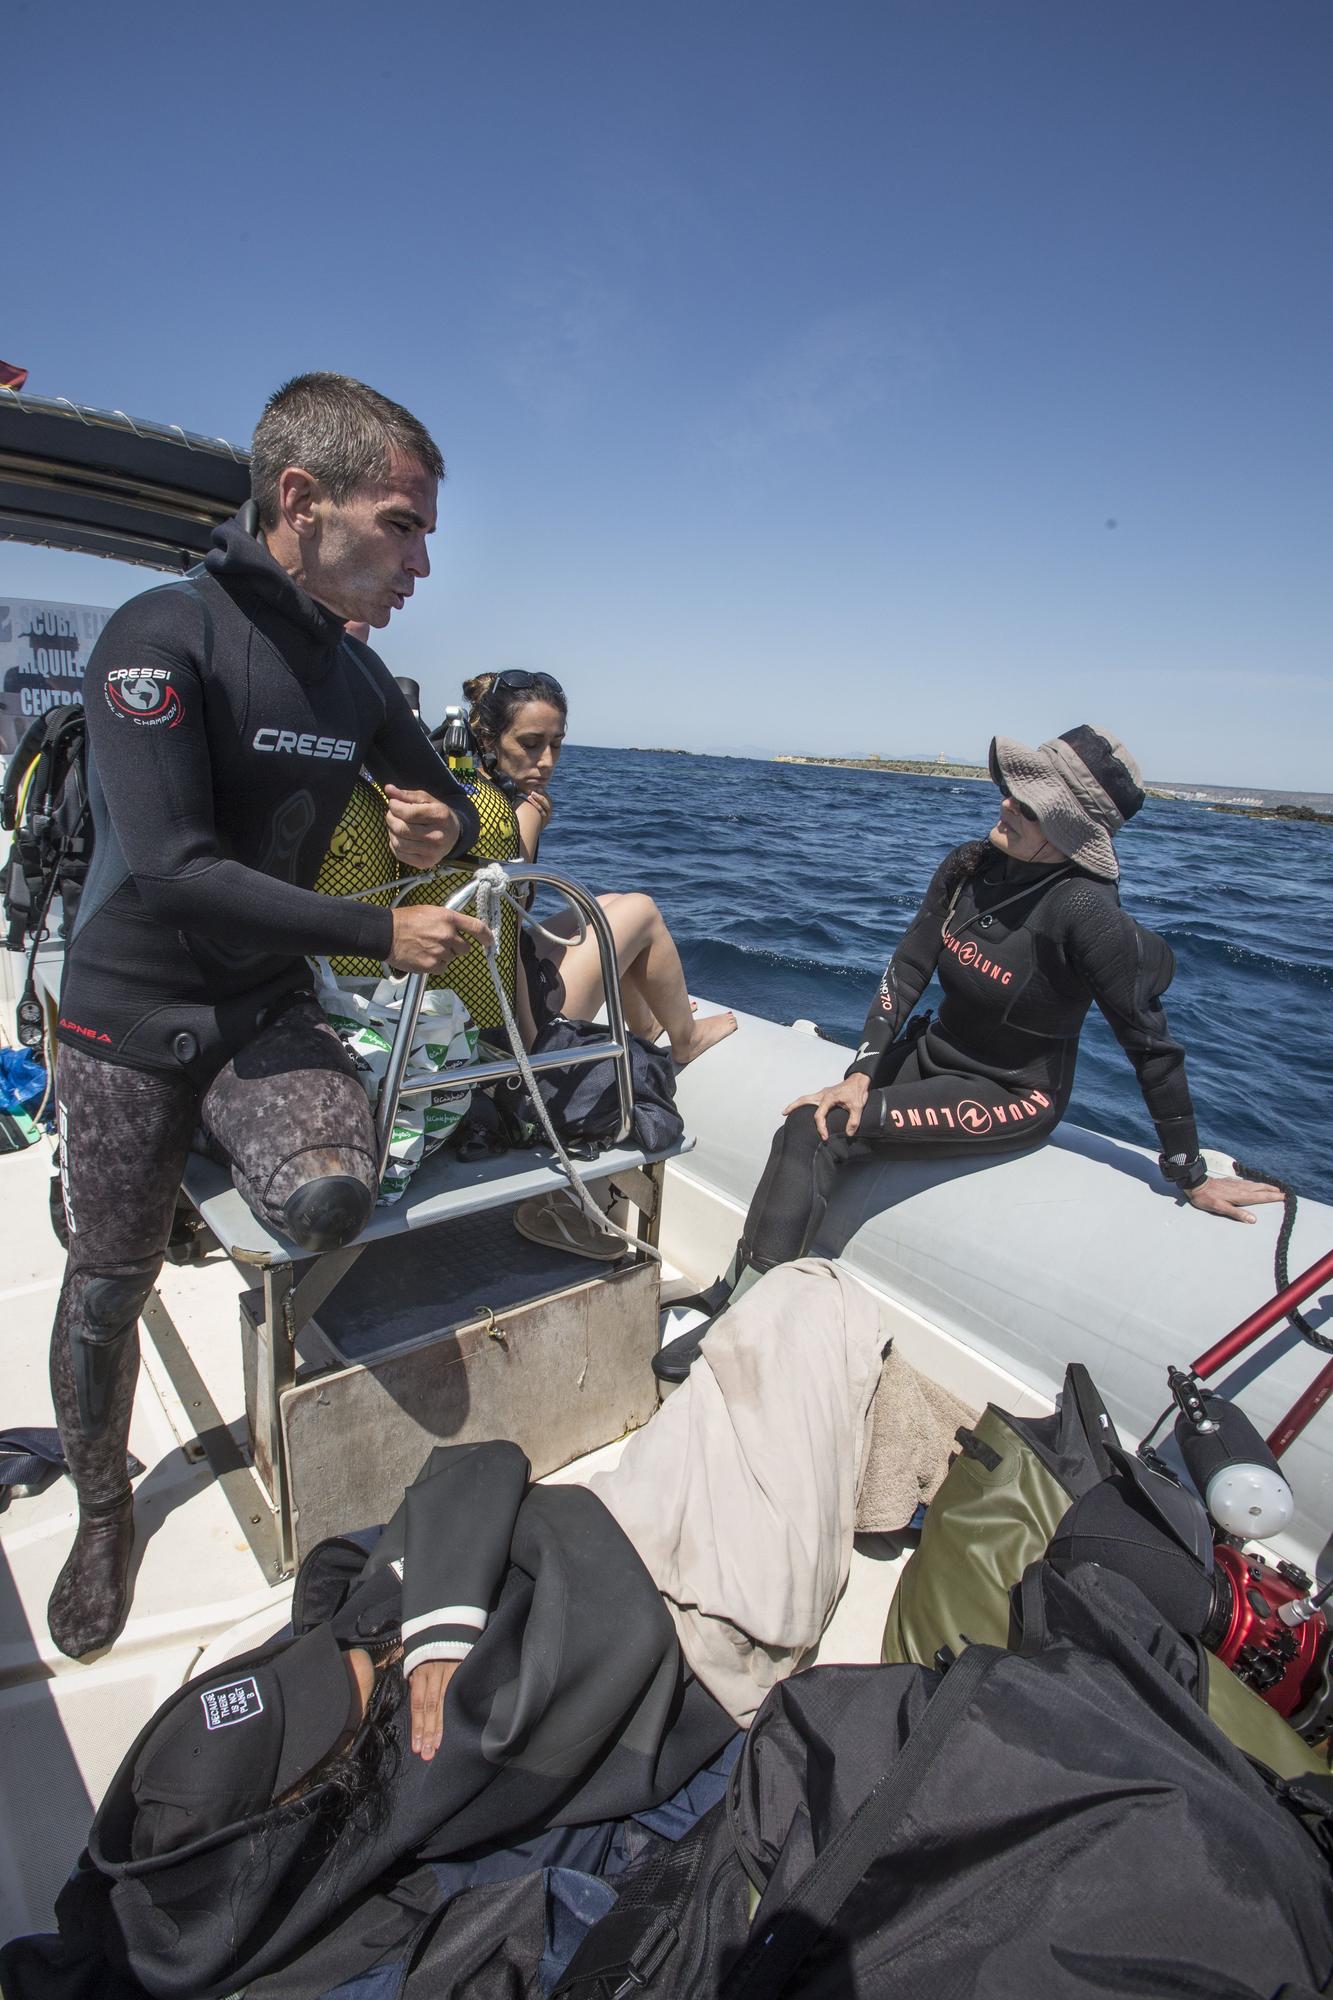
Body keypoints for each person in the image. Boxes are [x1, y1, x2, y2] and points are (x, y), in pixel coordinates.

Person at [45, 372, 495, 1661]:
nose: (420, 559)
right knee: (106, 1288)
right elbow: (177, 864)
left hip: (255, 1004)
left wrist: (436, 823)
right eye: (402, 522)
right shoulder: (158, 635)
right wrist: (379, 925)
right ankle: (103, 1507)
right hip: (129, 1013)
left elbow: (448, 807)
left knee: (327, 1201)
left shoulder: (355, 678)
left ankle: (183, 1174)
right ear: (302, 498)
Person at [653, 724, 1283, 1382]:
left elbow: (1150, 1046)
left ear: (1070, 832)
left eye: (1030, 804)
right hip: (934, 1051)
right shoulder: (968, 866)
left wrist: (1187, 1169)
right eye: (1014, 789)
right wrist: (862, 1071)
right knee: (804, 1122)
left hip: (1010, 1092)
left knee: (821, 1129)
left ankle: (744, 1327)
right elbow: (905, 969)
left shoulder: (1087, 914)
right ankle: (732, 1291)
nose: (1006, 802)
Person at [460, 669, 736, 1066]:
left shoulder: (469, 792)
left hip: (490, 978)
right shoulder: (519, 813)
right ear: (488, 739)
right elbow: (503, 928)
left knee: (600, 905)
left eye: (556, 744)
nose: (547, 761)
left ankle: (644, 1025)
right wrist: (533, 1043)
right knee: (640, 909)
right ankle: (686, 1040)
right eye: (531, 744)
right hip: (506, 1014)